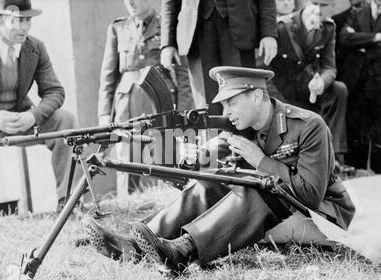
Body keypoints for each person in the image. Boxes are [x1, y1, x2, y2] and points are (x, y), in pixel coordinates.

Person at [83, 66, 355, 273]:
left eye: (231, 102)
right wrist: (194, 159)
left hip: (323, 218)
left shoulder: (309, 126)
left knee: (256, 188)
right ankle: (140, 241)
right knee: (209, 183)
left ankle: (181, 251)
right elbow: (204, 177)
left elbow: (311, 195)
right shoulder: (243, 129)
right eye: (224, 104)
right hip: (278, 214)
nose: (226, 111)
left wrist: (260, 161)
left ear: (258, 96)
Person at [0, 0, 78, 223]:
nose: (24, 28)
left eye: (27, 20)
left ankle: (69, 205)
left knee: (65, 120)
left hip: (21, 122)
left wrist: (32, 116)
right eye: (17, 21)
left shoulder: (34, 47)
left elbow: (55, 91)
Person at [97, 0, 194, 196]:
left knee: (162, 154)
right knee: (127, 157)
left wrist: (182, 112)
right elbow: (108, 76)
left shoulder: (166, 25)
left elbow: (184, 75)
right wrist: (104, 114)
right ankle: (126, 203)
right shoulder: (118, 28)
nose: (130, 3)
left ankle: (166, 202)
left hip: (159, 99)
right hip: (127, 103)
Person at [267, 0, 350, 169]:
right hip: (285, 93)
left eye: (324, 6)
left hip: (310, 87)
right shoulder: (282, 27)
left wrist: (323, 82)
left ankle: (333, 156)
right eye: (315, 4)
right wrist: (279, 102)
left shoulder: (328, 27)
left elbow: (329, 66)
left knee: (338, 90)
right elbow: (265, 69)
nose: (317, 10)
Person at [160, 0, 278, 115]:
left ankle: (244, 135)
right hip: (197, 30)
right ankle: (213, 134)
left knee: (242, 96)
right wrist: (167, 43)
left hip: (241, 26)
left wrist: (269, 34)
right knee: (206, 106)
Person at [338, 0, 381, 169]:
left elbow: (352, 38)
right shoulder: (356, 13)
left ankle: (378, 171)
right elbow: (344, 37)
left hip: (378, 79)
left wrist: (361, 44)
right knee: (355, 122)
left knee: (378, 125)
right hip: (356, 79)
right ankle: (356, 168)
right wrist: (376, 38)